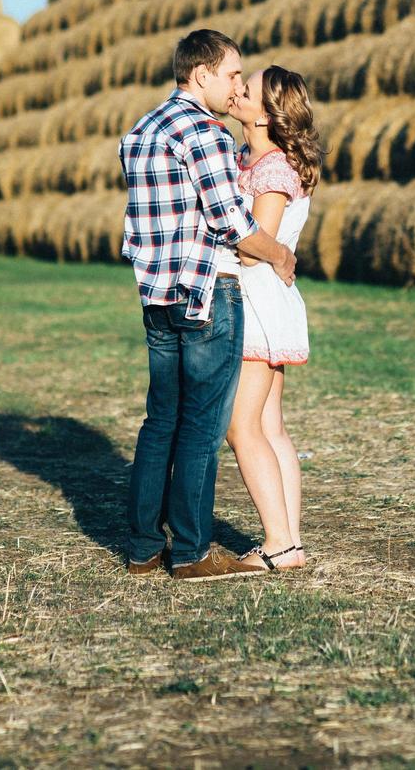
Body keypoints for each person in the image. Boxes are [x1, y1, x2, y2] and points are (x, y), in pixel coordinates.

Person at [119, 30, 296, 582]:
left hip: (156, 296)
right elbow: (233, 224)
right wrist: (281, 255)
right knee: (200, 429)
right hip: (205, 294)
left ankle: (144, 545)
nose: (236, 87)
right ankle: (193, 552)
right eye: (231, 75)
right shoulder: (205, 133)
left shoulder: (140, 130)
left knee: (159, 422)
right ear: (201, 75)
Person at [225, 66, 322, 572]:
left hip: (256, 303)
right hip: (267, 299)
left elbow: (251, 247)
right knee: (270, 425)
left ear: (266, 113)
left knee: (241, 427)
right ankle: (291, 541)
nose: (236, 90)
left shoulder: (272, 169)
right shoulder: (254, 159)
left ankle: (279, 542)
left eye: (248, 88)